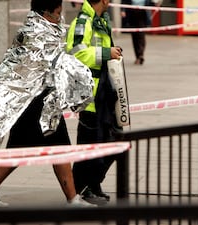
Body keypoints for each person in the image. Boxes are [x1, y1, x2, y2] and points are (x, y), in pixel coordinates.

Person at [0, 0, 95, 208]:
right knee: (22, 148)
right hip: (34, 103)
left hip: (45, 101)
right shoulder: (35, 33)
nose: (60, 18)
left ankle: (72, 197)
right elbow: (48, 64)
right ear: (47, 13)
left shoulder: (43, 28)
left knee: (58, 147)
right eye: (58, 14)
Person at [65, 0, 123, 205]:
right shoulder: (83, 22)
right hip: (90, 96)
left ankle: (92, 183)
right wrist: (106, 53)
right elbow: (76, 54)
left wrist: (112, 51)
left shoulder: (100, 21)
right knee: (89, 146)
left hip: (105, 93)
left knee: (114, 141)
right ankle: (81, 189)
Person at [120, 0, 161, 65]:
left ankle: (140, 55)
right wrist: (122, 10)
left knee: (141, 35)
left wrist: (155, 4)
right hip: (132, 14)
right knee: (134, 36)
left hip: (142, 14)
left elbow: (149, 2)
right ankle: (137, 56)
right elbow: (124, 1)